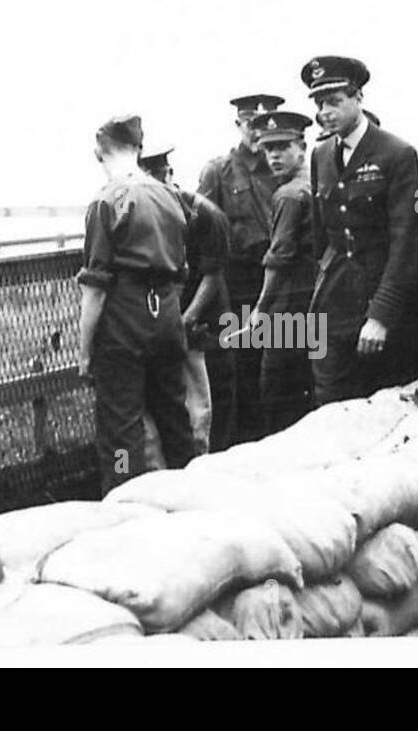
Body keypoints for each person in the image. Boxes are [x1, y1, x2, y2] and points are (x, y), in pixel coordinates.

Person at [302, 56, 418, 404]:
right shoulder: (320, 156)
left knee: (392, 406)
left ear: (358, 97)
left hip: (389, 308)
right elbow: (323, 240)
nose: (325, 112)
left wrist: (381, 315)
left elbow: (407, 241)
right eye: (319, 104)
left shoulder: (397, 154)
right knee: (331, 404)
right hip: (338, 305)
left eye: (334, 101)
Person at [78, 115, 197, 494]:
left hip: (123, 317)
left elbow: (95, 288)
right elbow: (182, 268)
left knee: (121, 428)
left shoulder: (105, 201)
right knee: (174, 415)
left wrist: (84, 351)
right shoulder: (167, 195)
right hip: (166, 313)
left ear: (99, 152)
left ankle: (122, 493)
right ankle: (190, 489)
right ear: (139, 149)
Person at [139, 144, 237, 454]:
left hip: (206, 319)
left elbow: (213, 276)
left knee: (213, 405)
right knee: (180, 409)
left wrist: (185, 319)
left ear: (168, 174)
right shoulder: (144, 214)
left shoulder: (205, 214)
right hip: (170, 322)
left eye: (158, 177)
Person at [198, 93, 285, 443]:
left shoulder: (285, 168)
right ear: (238, 125)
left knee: (283, 371)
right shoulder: (218, 171)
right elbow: (201, 233)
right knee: (241, 374)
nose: (257, 132)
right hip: (238, 291)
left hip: (282, 287)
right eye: (250, 123)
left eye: (265, 125)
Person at [248, 111, 317, 433]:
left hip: (288, 308)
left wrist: (260, 311)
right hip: (317, 301)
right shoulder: (319, 181)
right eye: (267, 149)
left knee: (276, 394)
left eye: (282, 147)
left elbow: (278, 260)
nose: (273, 156)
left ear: (301, 147)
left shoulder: (289, 194)